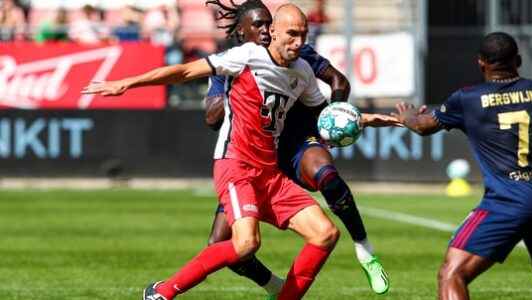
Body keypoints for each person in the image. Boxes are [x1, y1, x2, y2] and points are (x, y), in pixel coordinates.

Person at [83, 4, 398, 300]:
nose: (299, 41)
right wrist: (127, 82)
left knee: (325, 234)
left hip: (271, 174)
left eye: (303, 34)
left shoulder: (302, 72)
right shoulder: (246, 56)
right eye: (292, 33)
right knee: (246, 244)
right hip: (236, 166)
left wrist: (362, 120)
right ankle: (162, 292)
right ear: (273, 32)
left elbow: (324, 119)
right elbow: (183, 72)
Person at [203, 0, 389, 297]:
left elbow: (338, 80)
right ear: (242, 32)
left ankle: (364, 249)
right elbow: (211, 119)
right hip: (253, 155)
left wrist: (335, 115)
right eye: (258, 25)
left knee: (326, 174)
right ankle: (275, 286)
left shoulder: (298, 52)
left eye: (268, 24)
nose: (265, 31)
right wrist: (232, 86)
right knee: (221, 244)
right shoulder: (229, 64)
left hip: (297, 140)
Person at [391, 32, 532, 300]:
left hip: (507, 200)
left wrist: (407, 117)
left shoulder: (467, 99)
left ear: (481, 63)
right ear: (518, 60)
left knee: (452, 274)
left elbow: (423, 126)